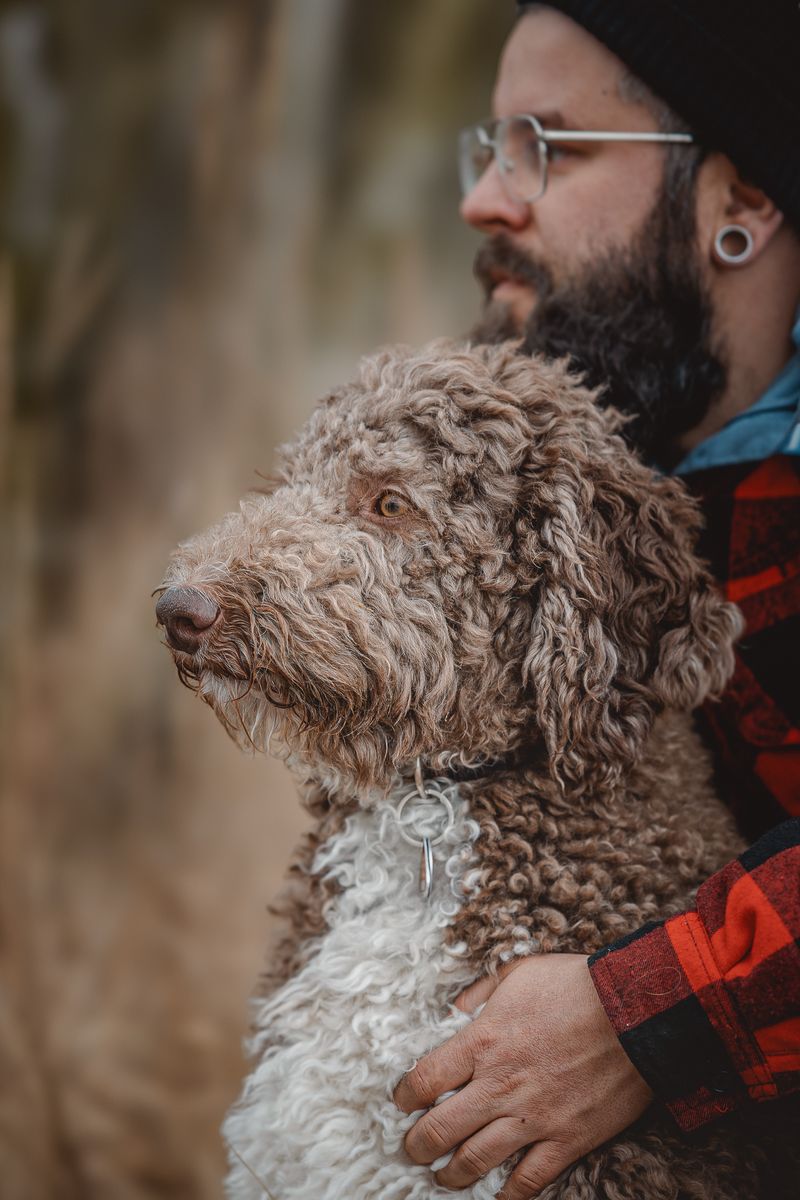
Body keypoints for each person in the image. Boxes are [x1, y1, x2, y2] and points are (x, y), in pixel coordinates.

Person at [392, 4, 800, 1198]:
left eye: (551, 149)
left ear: (738, 201)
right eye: (491, 148)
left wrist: (639, 1019)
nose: (484, 200)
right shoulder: (549, 493)